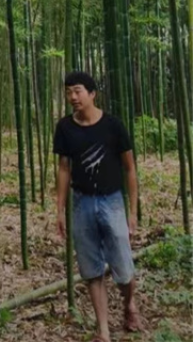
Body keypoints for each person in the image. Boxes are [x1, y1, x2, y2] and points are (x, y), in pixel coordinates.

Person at [54, 71, 144, 342]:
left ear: (92, 93)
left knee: (123, 268)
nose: (73, 97)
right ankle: (103, 330)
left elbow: (129, 169)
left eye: (78, 91)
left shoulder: (113, 126)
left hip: (112, 200)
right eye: (69, 91)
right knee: (91, 270)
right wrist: (59, 209)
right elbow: (63, 169)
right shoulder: (65, 128)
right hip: (82, 202)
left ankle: (129, 304)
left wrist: (132, 211)